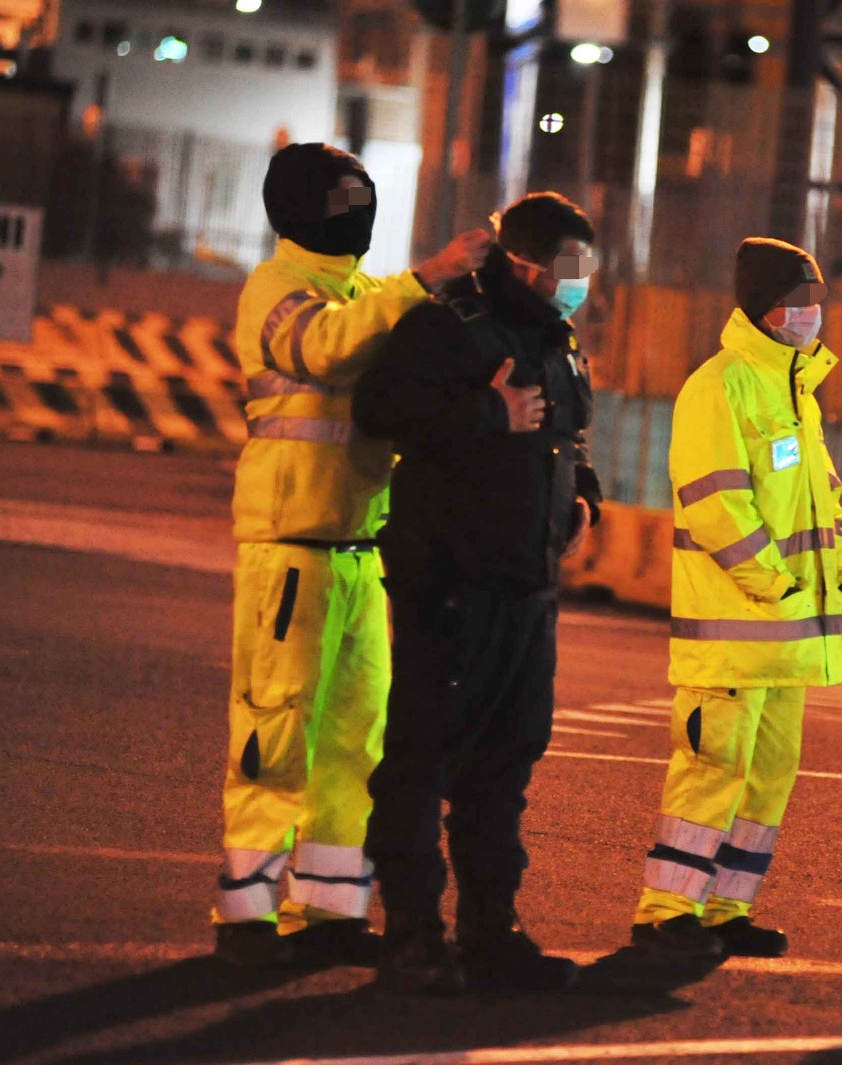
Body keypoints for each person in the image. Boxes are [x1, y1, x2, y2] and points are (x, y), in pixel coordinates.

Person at [214, 142, 490, 967]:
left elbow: (411, 349)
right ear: (299, 208)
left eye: (362, 197)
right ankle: (247, 918)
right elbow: (325, 348)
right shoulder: (279, 288)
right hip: (289, 545)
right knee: (274, 732)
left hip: (359, 547)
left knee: (352, 738)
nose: (355, 213)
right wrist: (424, 279)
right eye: (341, 200)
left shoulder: (367, 291)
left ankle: (331, 908)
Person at [352, 191, 602, 994]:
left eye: (586, 272)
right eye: (567, 269)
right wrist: (487, 412)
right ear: (522, 262)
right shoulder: (447, 324)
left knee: (507, 760)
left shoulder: (555, 340)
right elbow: (380, 407)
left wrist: (584, 496)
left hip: (528, 586)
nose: (578, 285)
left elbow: (568, 433)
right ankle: (413, 935)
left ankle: (491, 929)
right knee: (424, 760)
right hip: (453, 582)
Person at [628, 238, 842, 962]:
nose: (811, 317)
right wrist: (777, 583)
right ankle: (666, 911)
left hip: (785, 635)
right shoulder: (721, 385)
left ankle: (726, 909)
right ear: (764, 308)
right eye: (798, 304)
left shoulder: (797, 393)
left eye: (817, 304)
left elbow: (820, 499)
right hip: (738, 628)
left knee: (767, 775)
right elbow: (716, 504)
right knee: (711, 767)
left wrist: (837, 569)